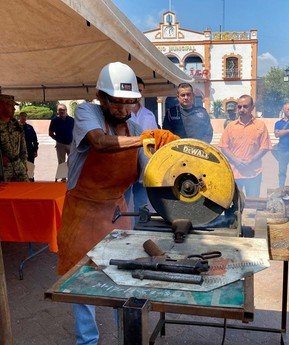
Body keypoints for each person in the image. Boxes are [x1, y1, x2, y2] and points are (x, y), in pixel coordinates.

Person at [56, 61, 178, 345]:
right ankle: (87, 341)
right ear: (101, 97)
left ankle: (127, 336)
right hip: (82, 215)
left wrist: (172, 157)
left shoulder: (134, 128)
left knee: (121, 282)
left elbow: (149, 175)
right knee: (82, 285)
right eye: (117, 103)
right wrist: (144, 139)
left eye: (129, 103)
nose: (123, 110)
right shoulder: (87, 112)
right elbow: (100, 143)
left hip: (116, 215)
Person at [218, 95, 272, 197]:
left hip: (253, 173)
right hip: (234, 173)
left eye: (245, 106)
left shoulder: (260, 125)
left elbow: (265, 146)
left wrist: (251, 160)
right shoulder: (231, 126)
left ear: (252, 107)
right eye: (239, 107)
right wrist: (236, 160)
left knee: (252, 204)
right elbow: (224, 146)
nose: (242, 109)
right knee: (233, 204)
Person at [124, 76, 159, 219]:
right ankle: (123, 226)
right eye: (135, 90)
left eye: (140, 90)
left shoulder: (149, 114)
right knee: (124, 199)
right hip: (126, 163)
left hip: (144, 164)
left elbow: (155, 138)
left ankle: (140, 226)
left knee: (141, 201)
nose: (138, 94)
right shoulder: (122, 113)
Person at [0, 94, 29, 182]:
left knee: (27, 192)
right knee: (3, 194)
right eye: (10, 105)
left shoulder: (16, 124)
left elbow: (23, 147)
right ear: (0, 105)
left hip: (18, 167)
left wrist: (24, 163)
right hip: (1, 170)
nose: (14, 108)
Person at [49, 103, 74, 168]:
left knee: (72, 161)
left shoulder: (71, 120)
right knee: (61, 162)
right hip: (60, 145)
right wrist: (58, 139)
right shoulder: (54, 121)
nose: (62, 111)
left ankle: (71, 177)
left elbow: (76, 131)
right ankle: (63, 178)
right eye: (60, 110)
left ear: (66, 110)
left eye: (63, 110)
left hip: (71, 144)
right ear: (57, 111)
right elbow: (50, 133)